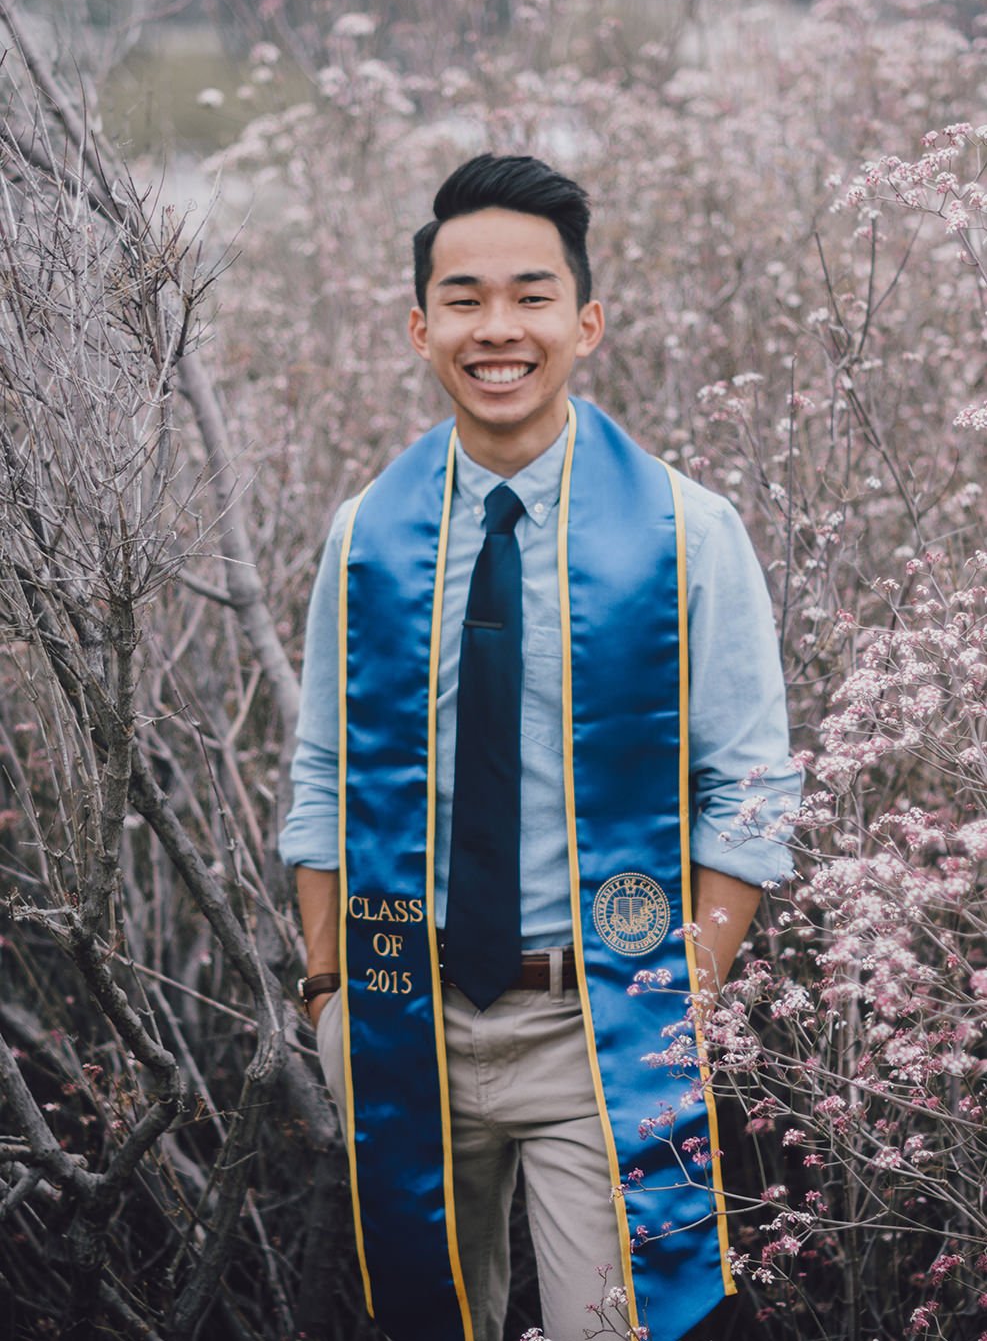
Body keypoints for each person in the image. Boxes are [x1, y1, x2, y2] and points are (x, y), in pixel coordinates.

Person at [279, 154, 798, 1341]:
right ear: (421, 327)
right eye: (463, 300)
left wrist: (689, 991)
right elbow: (319, 774)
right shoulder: (366, 538)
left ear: (586, 320)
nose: (496, 328)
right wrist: (326, 994)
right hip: (403, 1013)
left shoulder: (686, 532)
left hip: (601, 1022)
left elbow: (754, 784)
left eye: (531, 294)